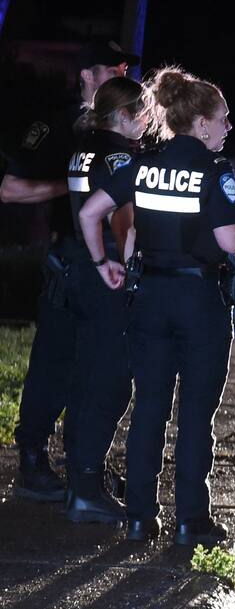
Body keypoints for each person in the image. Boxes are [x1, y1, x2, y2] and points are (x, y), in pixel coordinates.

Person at [79, 66, 235, 545]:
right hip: (198, 302)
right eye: (223, 119)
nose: (228, 127)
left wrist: (102, 264)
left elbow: (92, 212)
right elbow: (229, 241)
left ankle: (139, 518)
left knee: (149, 409)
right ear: (200, 124)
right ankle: (190, 522)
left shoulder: (144, 164)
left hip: (149, 301)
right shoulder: (213, 171)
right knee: (195, 413)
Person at [1, 39, 138, 502]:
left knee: (94, 368)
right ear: (86, 75)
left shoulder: (116, 131)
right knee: (54, 364)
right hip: (70, 259)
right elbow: (10, 190)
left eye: (125, 69)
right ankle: (33, 460)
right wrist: (78, 187)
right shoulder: (60, 125)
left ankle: (85, 466)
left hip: (101, 265)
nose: (122, 74)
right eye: (112, 69)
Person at [61, 76, 147, 523]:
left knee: (84, 376)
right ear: (124, 115)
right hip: (106, 276)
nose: (148, 121)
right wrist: (119, 266)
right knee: (111, 382)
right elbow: (120, 221)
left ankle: (80, 475)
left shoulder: (84, 147)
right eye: (143, 113)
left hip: (77, 271)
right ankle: (86, 487)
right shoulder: (119, 156)